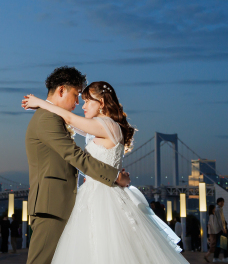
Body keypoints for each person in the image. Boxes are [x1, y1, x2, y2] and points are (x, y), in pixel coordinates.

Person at [22, 76, 187, 264]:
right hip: (95, 192)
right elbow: (76, 142)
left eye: (85, 101)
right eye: (78, 98)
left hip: (102, 195)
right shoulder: (101, 126)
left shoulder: (105, 125)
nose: (81, 105)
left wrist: (41, 103)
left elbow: (69, 121)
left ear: (100, 103)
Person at [23, 67, 132, 264]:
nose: (77, 103)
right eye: (75, 95)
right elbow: (75, 156)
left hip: (61, 205)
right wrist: (115, 176)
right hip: (52, 207)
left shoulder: (52, 116)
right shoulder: (48, 118)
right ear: (62, 90)